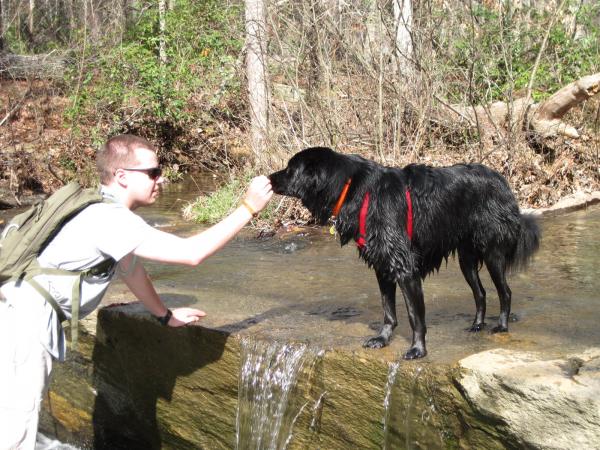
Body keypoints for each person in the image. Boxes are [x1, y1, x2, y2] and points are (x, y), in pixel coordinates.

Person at [0, 134, 273, 449]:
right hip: (21, 329)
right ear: (121, 176)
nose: (161, 178)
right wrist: (248, 208)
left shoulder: (94, 205)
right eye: (153, 172)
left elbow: (129, 268)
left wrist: (163, 315)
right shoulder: (108, 218)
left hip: (16, 315)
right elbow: (192, 253)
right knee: (14, 432)